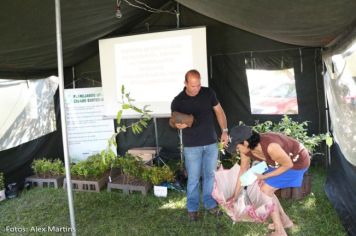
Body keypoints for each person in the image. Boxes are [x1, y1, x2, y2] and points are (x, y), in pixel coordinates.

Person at [226, 125, 310, 236]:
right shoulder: (246, 149)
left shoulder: (270, 146)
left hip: (297, 162)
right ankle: (285, 221)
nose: (237, 150)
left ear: (245, 143)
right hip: (278, 161)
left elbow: (288, 164)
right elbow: (243, 171)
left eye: (237, 147)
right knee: (266, 189)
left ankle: (280, 232)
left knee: (266, 190)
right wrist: (235, 196)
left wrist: (264, 177)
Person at [170, 69, 229, 221]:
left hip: (210, 143)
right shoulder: (178, 101)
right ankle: (192, 208)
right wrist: (178, 126)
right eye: (193, 86)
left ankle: (209, 203)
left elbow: (219, 111)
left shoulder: (208, 93)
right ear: (185, 84)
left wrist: (224, 131)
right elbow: (173, 120)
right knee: (194, 178)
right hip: (192, 146)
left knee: (210, 175)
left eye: (198, 85)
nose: (196, 88)